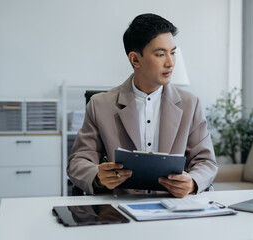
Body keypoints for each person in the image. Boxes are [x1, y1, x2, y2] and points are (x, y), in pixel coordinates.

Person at [67, 13, 217, 198]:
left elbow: (206, 161)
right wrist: (98, 176)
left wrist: (192, 182)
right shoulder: (100, 105)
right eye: (161, 54)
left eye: (173, 53)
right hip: (119, 208)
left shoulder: (190, 104)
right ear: (135, 59)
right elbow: (78, 162)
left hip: (174, 209)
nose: (170, 63)